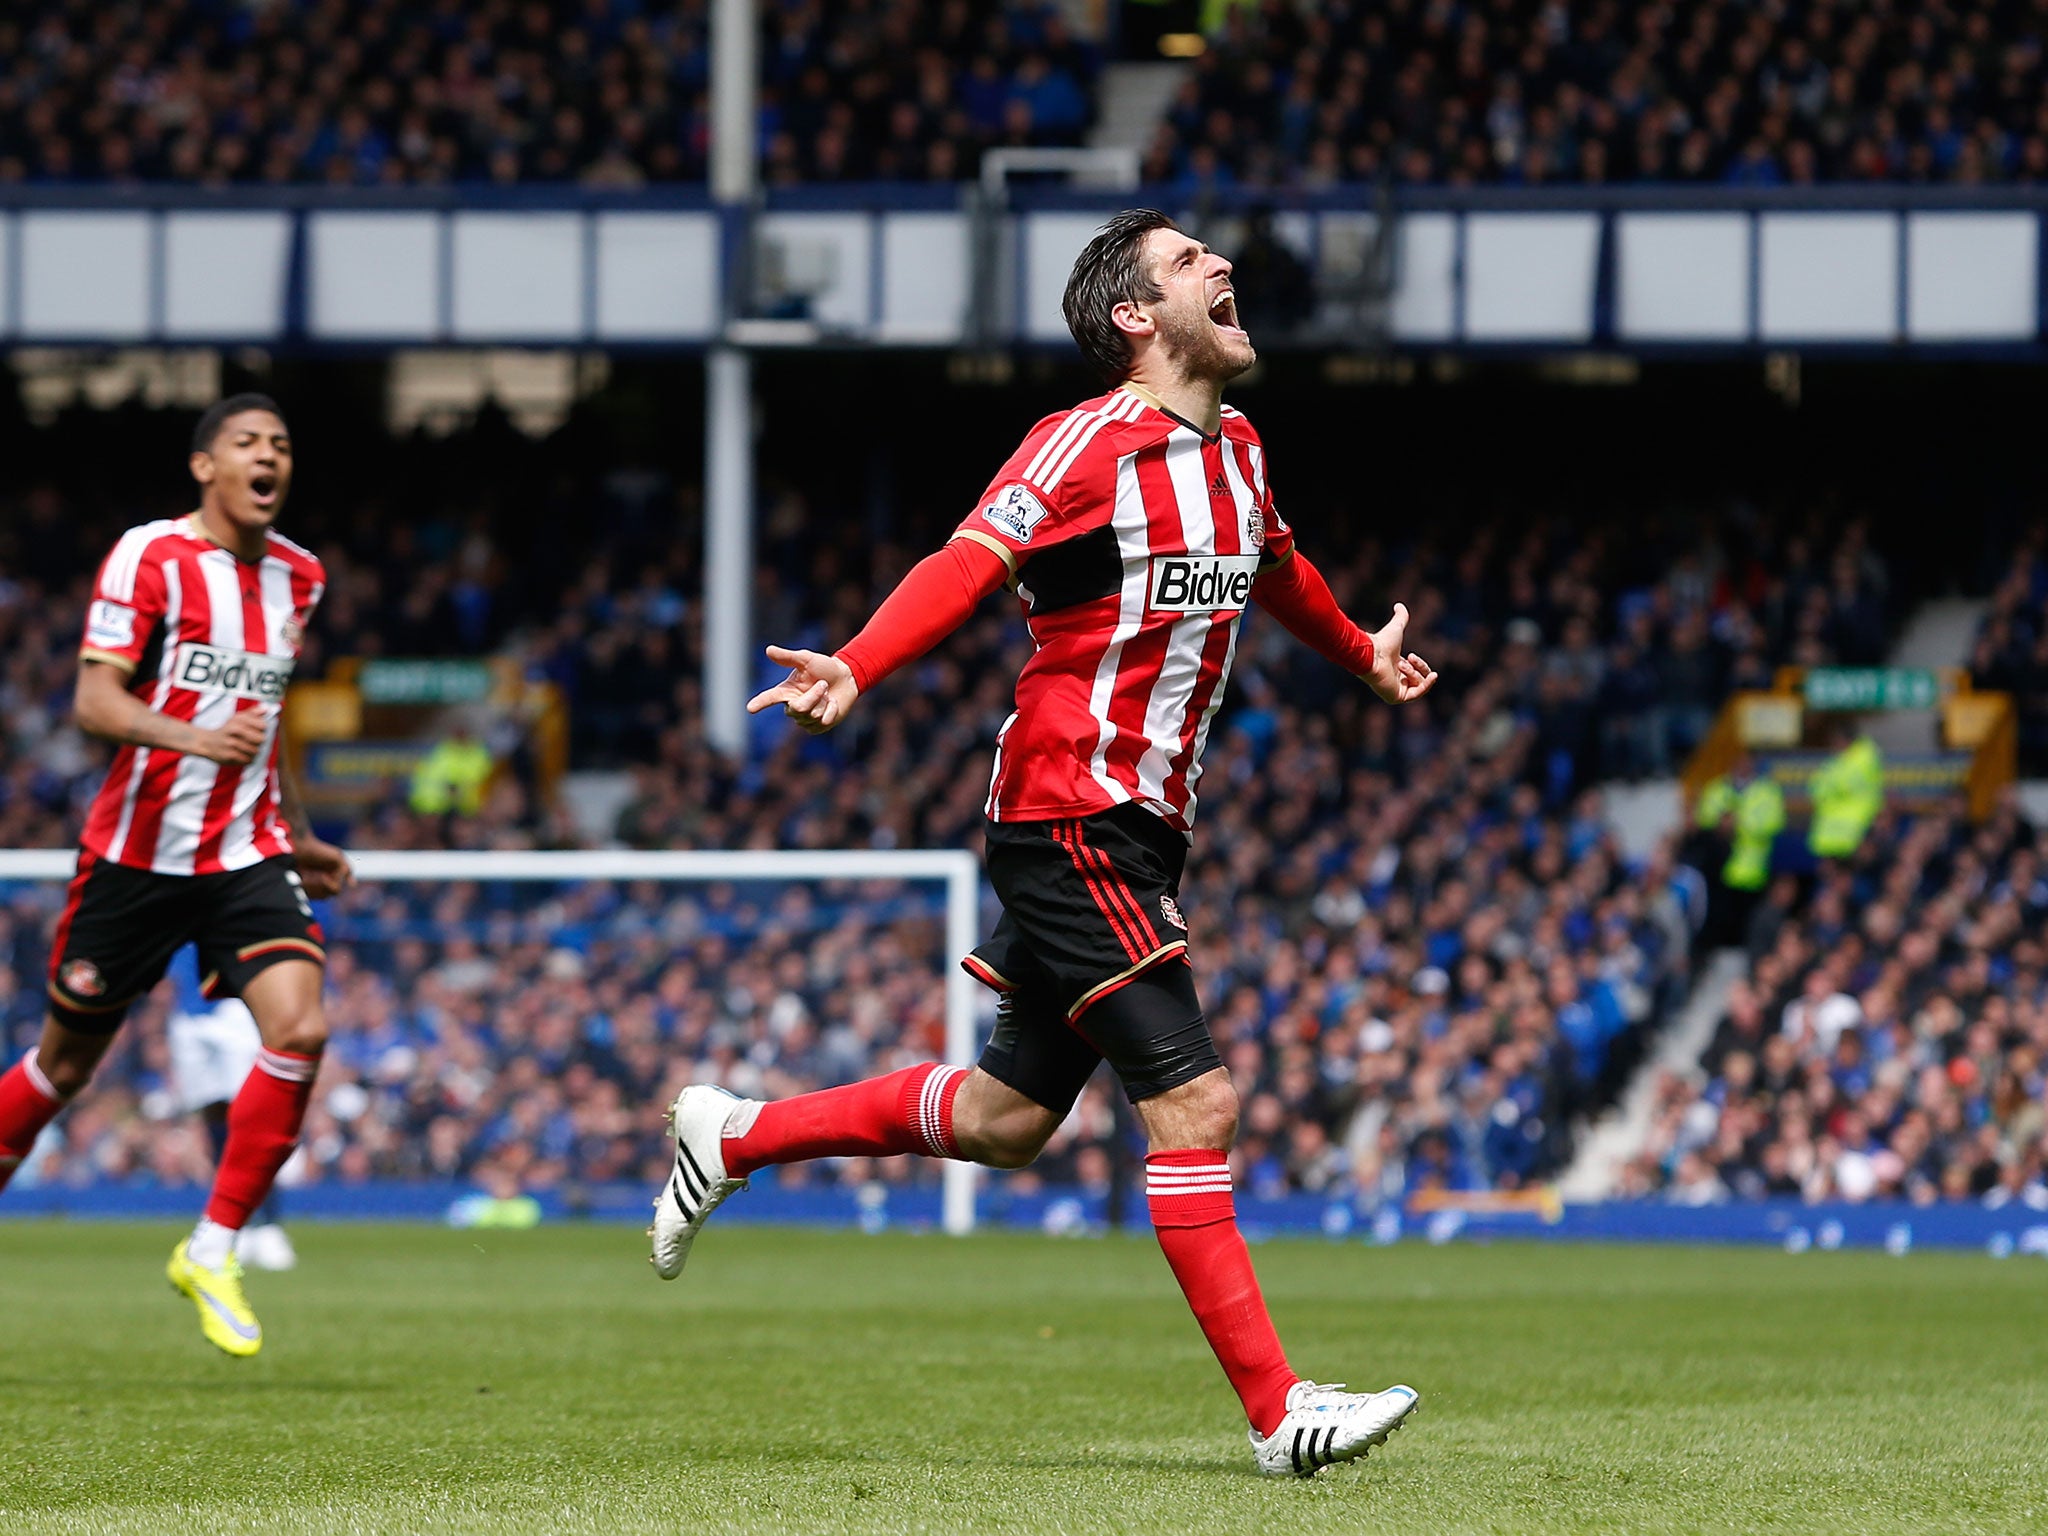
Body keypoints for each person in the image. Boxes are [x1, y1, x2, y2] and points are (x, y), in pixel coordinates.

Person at [650, 210, 1438, 1478]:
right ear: (1135, 316)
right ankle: (1278, 1413)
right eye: (1188, 263)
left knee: (1010, 1121)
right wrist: (856, 662)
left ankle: (731, 1135)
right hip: (1068, 811)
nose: (1220, 266)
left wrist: (1363, 656)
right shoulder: (1080, 442)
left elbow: (1277, 570)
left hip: (1140, 828)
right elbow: (966, 561)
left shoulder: (1235, 451)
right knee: (1194, 1099)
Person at [0, 394, 350, 1357]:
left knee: (303, 1026)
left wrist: (301, 833)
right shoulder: (149, 554)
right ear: (206, 466)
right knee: (62, 1067)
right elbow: (94, 700)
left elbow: (264, 719)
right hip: (135, 857)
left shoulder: (300, 577)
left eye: (281, 443)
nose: (268, 455)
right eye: (247, 443)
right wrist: (197, 735)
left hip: (245, 853)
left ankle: (214, 1243)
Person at [165, 948, 297, 1271]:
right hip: (188, 1011)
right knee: (213, 1115)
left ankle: (268, 1224)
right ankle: (235, 1225)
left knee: (253, 1115)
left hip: (233, 1004)